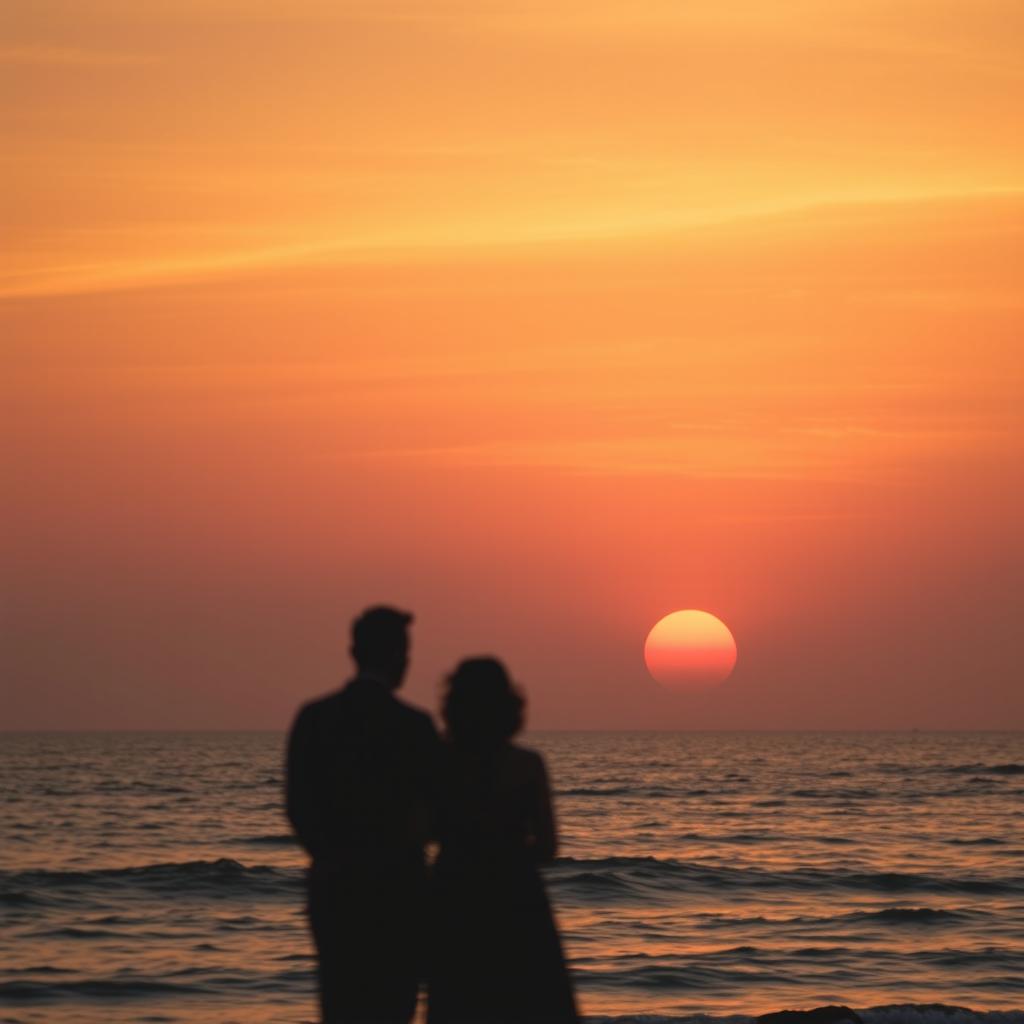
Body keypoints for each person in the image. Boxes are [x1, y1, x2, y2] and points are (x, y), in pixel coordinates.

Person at [286, 606, 440, 1024]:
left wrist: (331, 856)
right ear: (400, 658)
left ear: (353, 652)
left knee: (340, 998)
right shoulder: (414, 725)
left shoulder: (315, 718)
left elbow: (297, 805)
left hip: (335, 886)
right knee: (395, 1001)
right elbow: (437, 809)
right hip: (400, 887)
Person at [428, 657, 578, 1024]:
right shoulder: (527, 766)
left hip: (456, 894)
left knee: (458, 1001)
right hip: (517, 896)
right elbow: (547, 847)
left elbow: (424, 829)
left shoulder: (440, 763)